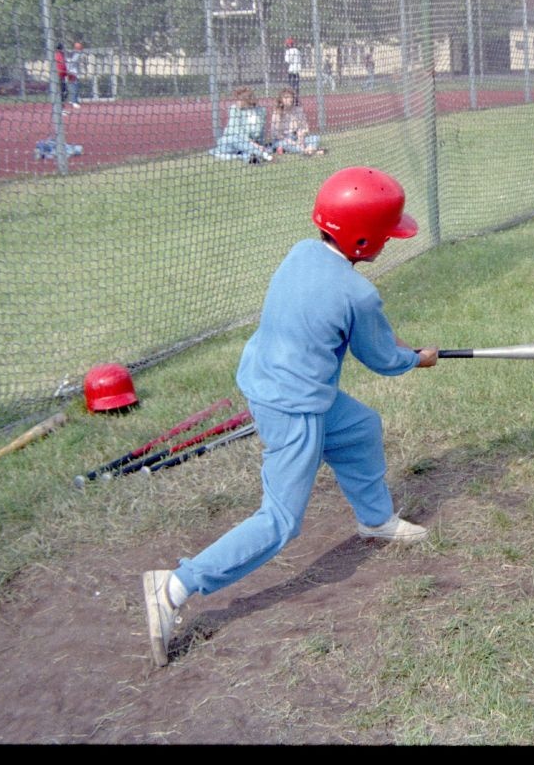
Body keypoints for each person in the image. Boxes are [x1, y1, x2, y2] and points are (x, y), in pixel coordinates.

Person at [141, 166, 439, 668]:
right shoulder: (358, 293)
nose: (390, 240)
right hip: (294, 405)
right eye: (386, 233)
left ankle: (375, 521)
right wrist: (416, 357)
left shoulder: (302, 253)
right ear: (364, 238)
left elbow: (351, 331)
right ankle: (172, 587)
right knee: (280, 520)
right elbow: (384, 360)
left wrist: (390, 345)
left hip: (275, 381)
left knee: (360, 427)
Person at [208, 86, 275, 163]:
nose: (238, 101)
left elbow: (261, 132)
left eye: (240, 99)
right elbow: (238, 132)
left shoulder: (261, 111)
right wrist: (255, 145)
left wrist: (259, 144)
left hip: (250, 145)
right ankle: (265, 155)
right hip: (231, 143)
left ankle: (249, 158)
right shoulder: (234, 109)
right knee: (235, 139)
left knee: (246, 150)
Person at [268, 86, 325, 156]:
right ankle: (310, 151)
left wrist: (301, 135)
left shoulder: (298, 110)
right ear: (281, 100)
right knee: (285, 145)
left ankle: (308, 150)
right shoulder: (277, 113)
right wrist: (292, 142)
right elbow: (276, 134)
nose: (289, 100)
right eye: (286, 97)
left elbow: (306, 128)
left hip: (297, 137)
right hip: (283, 140)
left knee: (315, 138)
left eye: (291, 97)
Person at [65, 41, 84, 107]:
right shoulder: (77, 54)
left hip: (72, 72)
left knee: (74, 86)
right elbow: (73, 61)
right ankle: (74, 101)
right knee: (75, 86)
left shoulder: (75, 54)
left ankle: (73, 100)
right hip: (73, 73)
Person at [284, 36, 302, 102]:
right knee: (296, 85)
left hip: (291, 70)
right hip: (297, 70)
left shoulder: (288, 51)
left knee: (291, 85)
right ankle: (296, 99)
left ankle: (292, 99)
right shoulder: (297, 50)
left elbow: (287, 61)